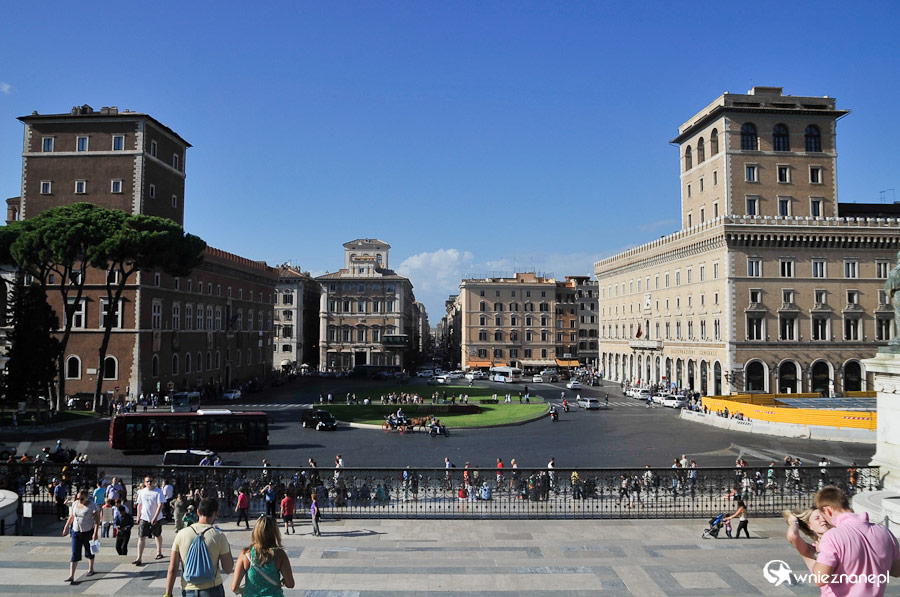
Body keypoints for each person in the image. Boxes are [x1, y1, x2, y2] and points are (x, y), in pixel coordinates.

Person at [811, 485, 900, 595]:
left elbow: (820, 579)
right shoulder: (884, 532)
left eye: (823, 515)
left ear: (827, 510)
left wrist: (818, 554)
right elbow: (897, 571)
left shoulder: (833, 536)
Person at [164, 497, 234, 597]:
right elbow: (228, 569)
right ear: (215, 513)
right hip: (213, 589)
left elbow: (172, 568)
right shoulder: (218, 536)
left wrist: (168, 593)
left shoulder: (181, 534)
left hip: (189, 590)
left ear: (198, 512)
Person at [231, 515, 295, 597]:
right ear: (275, 533)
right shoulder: (280, 555)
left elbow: (234, 587)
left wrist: (245, 590)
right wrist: (283, 581)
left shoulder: (246, 554)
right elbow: (290, 584)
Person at [62, 490, 100, 583]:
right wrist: (66, 527)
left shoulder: (92, 505)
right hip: (76, 531)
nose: (79, 500)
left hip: (88, 531)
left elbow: (97, 520)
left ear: (87, 498)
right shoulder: (75, 504)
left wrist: (95, 533)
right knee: (75, 552)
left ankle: (91, 568)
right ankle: (71, 576)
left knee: (89, 551)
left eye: (81, 499)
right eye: (78, 498)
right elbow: (72, 516)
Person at [134, 475, 165, 565]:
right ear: (144, 483)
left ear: (153, 482)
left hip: (156, 518)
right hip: (144, 517)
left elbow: (160, 505)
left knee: (157, 534)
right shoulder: (142, 492)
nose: (149, 483)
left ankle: (159, 552)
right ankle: (139, 558)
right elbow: (139, 504)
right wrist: (138, 516)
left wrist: (155, 517)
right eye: (147, 481)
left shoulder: (158, 492)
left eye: (151, 481)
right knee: (141, 536)